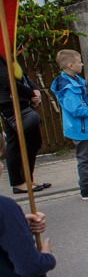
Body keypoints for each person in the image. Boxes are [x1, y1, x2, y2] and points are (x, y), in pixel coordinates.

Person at [49, 50, 88, 200]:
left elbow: (82, 101)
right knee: (86, 160)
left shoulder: (75, 81)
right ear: (70, 65)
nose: (81, 63)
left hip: (85, 128)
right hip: (81, 129)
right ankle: (87, 190)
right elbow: (76, 110)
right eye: (79, 61)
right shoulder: (68, 87)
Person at [0, 56, 47, 196]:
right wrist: (30, 94)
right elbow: (7, 82)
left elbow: (23, 76)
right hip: (9, 104)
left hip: (23, 102)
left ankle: (28, 178)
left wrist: (35, 90)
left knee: (34, 141)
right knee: (15, 143)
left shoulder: (9, 54)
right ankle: (17, 183)